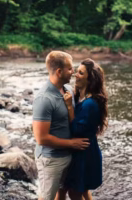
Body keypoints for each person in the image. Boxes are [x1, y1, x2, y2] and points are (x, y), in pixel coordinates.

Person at [32, 51, 90, 200]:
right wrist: (71, 143)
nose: (73, 73)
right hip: (51, 159)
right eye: (70, 69)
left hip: (69, 155)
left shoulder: (68, 90)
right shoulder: (44, 99)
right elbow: (41, 138)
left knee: (62, 193)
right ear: (59, 71)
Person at [58, 58, 108, 200]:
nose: (75, 75)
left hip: (84, 155)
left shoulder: (90, 104)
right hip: (84, 152)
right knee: (82, 191)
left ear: (90, 79)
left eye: (80, 73)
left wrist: (68, 106)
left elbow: (76, 130)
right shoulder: (82, 97)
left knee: (75, 193)